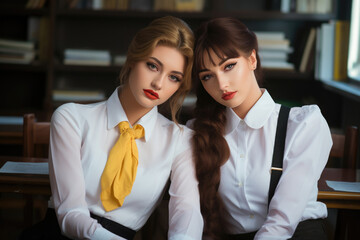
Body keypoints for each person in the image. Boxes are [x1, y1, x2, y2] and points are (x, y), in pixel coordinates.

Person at [20, 16, 203, 240]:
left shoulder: (180, 140)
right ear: (133, 59)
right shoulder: (71, 118)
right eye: (152, 66)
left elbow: (188, 214)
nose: (159, 83)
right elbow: (70, 214)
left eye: (174, 77)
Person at [188, 17, 332, 240]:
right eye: (208, 76)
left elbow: (282, 221)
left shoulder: (303, 124)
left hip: (297, 234)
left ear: (252, 59)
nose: (222, 84)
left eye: (229, 66)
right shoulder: (198, 134)